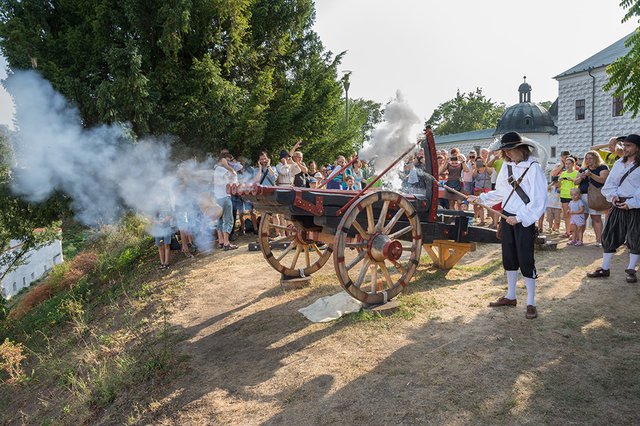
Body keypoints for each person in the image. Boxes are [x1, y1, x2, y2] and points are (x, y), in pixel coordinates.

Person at [467, 132, 547, 319]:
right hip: (507, 216)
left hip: (523, 220)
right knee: (509, 257)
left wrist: (520, 218)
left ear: (520, 149)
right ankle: (511, 296)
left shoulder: (534, 169)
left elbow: (539, 200)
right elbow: (501, 192)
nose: (507, 154)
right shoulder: (507, 166)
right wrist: (480, 198)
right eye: (505, 151)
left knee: (526, 259)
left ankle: (531, 302)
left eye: (510, 150)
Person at [588, 134, 640, 283]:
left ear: (637, 147)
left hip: (635, 207)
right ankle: (604, 268)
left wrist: (631, 203)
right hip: (618, 205)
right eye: (623, 145)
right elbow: (609, 184)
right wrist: (613, 197)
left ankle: (631, 269)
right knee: (610, 236)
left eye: (628, 145)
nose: (624, 148)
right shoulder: (618, 164)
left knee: (635, 238)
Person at [574, 150, 609, 246]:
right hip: (582, 196)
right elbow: (575, 182)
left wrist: (591, 174)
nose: (588, 160)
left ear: (596, 158)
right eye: (586, 158)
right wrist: (581, 176)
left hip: (595, 196)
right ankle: (579, 239)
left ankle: (599, 241)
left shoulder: (602, 167)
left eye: (590, 158)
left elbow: (603, 180)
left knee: (596, 218)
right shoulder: (582, 169)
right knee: (581, 218)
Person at [213, 150, 238, 250]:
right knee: (228, 219)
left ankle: (221, 241)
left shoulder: (217, 169)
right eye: (227, 160)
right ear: (222, 160)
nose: (228, 163)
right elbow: (234, 174)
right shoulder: (221, 169)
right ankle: (226, 242)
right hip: (224, 197)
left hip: (218, 197)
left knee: (219, 220)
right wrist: (227, 165)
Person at [559, 156, 578, 238]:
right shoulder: (563, 173)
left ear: (573, 164)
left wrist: (572, 180)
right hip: (564, 195)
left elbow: (578, 183)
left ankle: (574, 233)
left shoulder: (576, 173)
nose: (567, 165)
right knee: (566, 215)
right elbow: (559, 186)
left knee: (573, 215)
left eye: (569, 163)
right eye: (566, 164)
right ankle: (567, 232)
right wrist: (559, 181)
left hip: (573, 196)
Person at [472, 158, 492, 225]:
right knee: (479, 205)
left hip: (487, 188)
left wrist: (485, 165)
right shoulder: (476, 170)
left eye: (480, 162)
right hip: (478, 189)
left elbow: (490, 172)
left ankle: (492, 220)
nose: (479, 164)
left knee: (489, 205)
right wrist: (475, 168)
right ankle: (482, 221)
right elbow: (474, 175)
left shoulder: (487, 169)